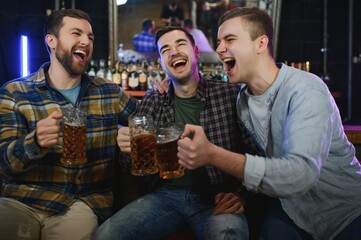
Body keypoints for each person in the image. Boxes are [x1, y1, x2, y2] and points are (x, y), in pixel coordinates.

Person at [177, 7, 361, 240]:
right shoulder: (242, 100)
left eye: (229, 39)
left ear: (261, 43)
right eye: (219, 41)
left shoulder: (305, 89)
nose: (219, 48)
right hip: (292, 210)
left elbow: (301, 174)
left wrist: (212, 154)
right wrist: (169, 81)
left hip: (346, 210)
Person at [93, 26, 263, 240]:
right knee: (103, 236)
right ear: (161, 63)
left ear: (196, 52)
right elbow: (132, 167)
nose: (173, 52)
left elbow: (257, 152)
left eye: (180, 44)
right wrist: (126, 148)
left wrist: (241, 194)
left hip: (216, 198)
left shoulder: (230, 95)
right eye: (165, 50)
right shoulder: (153, 100)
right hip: (164, 197)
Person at [0, 9, 138, 240]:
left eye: (90, 37)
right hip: (22, 200)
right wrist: (34, 142)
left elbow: (151, 118)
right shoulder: (15, 93)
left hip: (81, 202)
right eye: (76, 33)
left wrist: (169, 85)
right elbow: (4, 162)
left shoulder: (108, 92)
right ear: (51, 41)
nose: (86, 41)